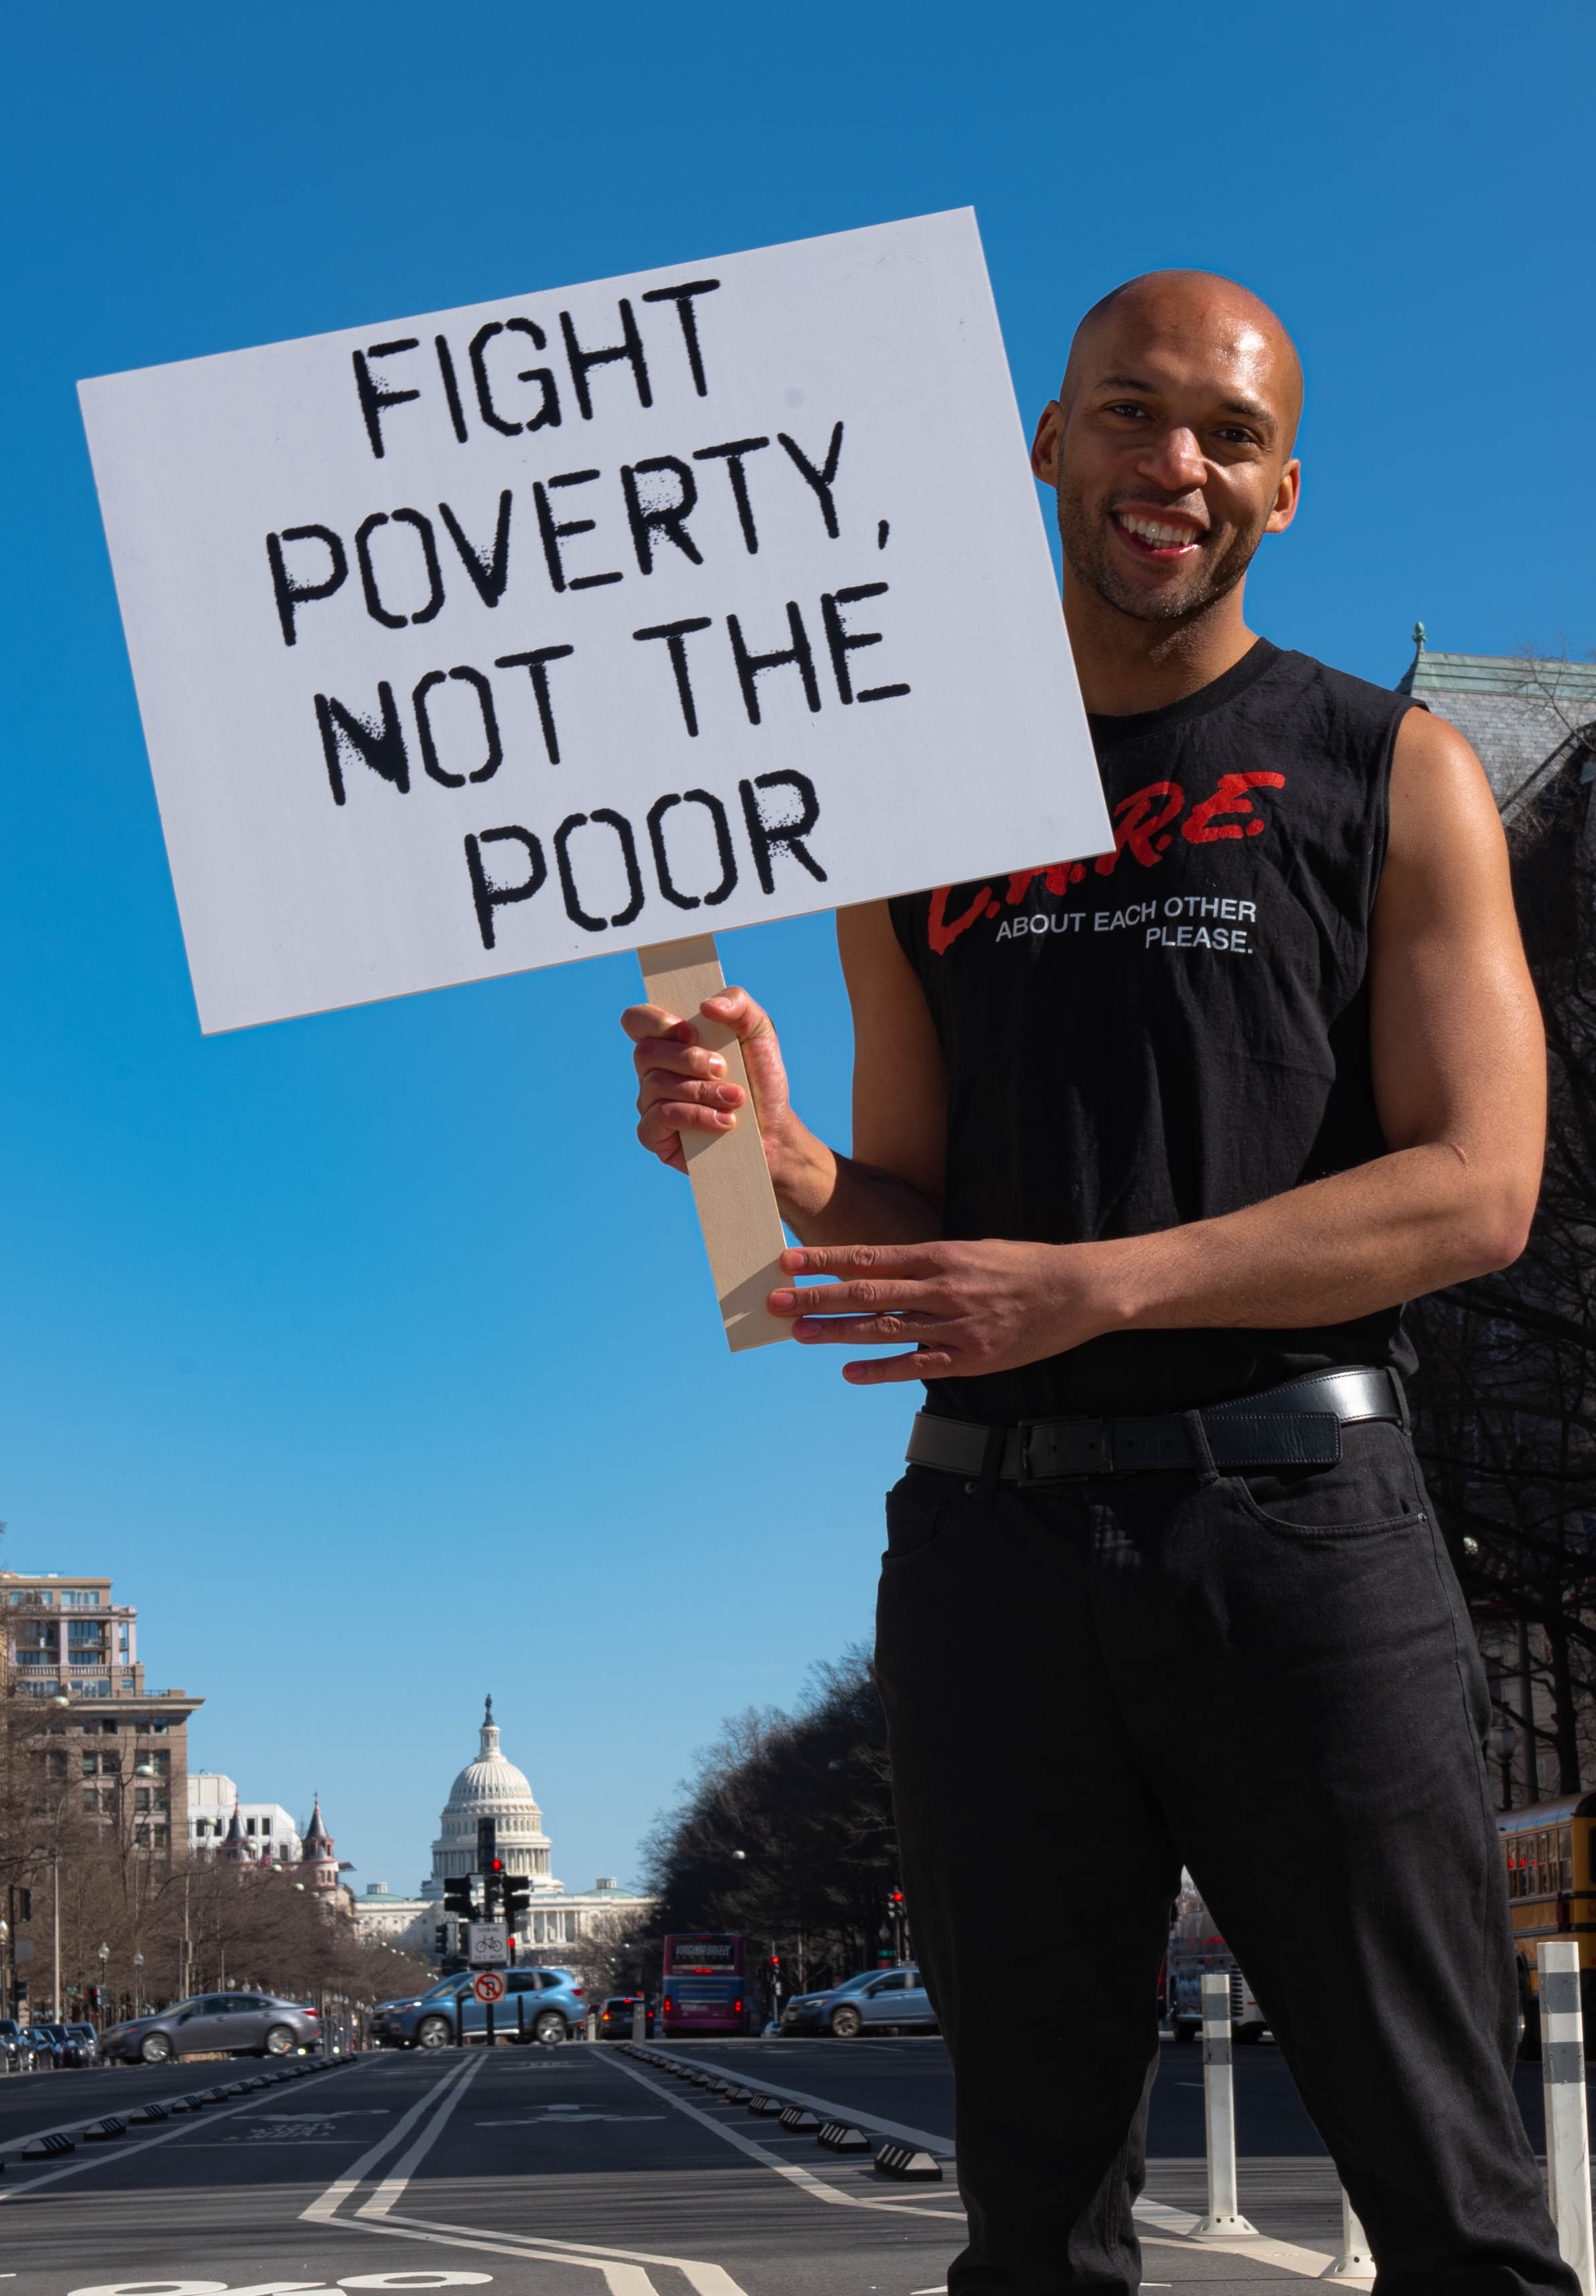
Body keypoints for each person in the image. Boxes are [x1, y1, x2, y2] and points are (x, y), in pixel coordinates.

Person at [622, 271, 1567, 2296]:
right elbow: (915, 1228)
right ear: (1041, 446)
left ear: (1283, 489)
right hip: (986, 1551)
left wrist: (1102, 1286)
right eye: (1128, 416)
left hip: (1303, 1531)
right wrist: (767, 1153)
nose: (1172, 467)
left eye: (1223, 435)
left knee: (1458, 2202)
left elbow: (1478, 1190)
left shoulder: (1385, 772)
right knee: (1030, 2223)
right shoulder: (904, 812)